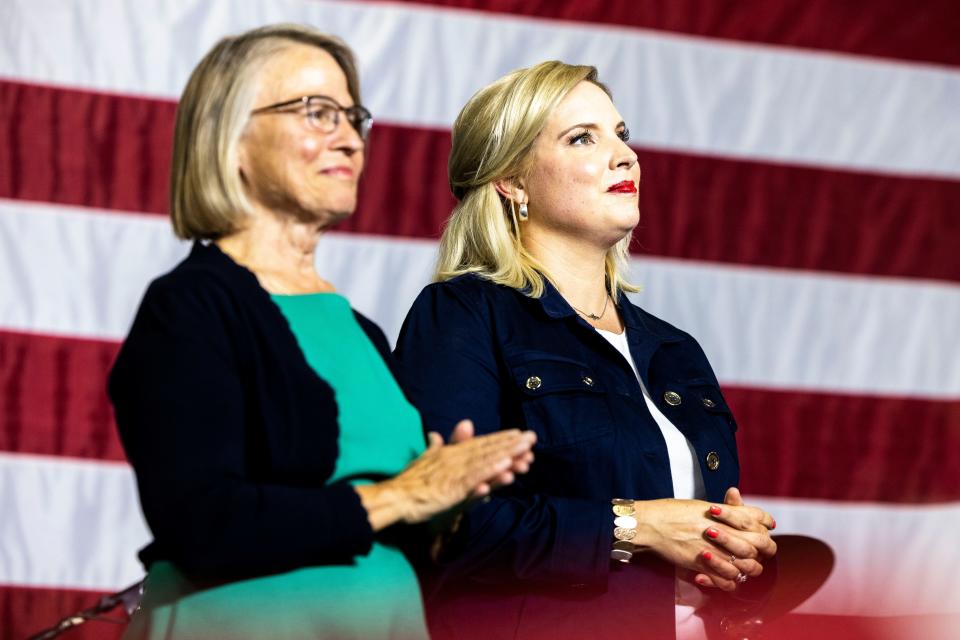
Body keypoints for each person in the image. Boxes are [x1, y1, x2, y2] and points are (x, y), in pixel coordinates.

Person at [108, 24, 535, 640]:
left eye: (351, 116)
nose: (349, 139)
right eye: (316, 112)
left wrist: (446, 507)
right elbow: (201, 521)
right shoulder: (190, 306)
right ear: (231, 140)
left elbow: (381, 518)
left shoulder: (359, 328)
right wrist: (402, 498)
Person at [394, 61, 778, 640]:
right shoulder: (464, 315)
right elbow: (446, 527)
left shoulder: (676, 349)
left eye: (621, 135)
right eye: (582, 138)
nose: (625, 156)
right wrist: (634, 526)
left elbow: (696, 539)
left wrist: (736, 553)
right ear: (512, 182)